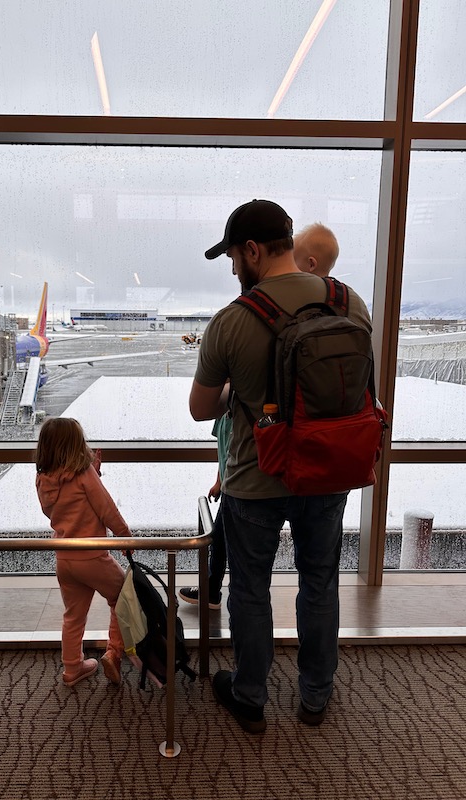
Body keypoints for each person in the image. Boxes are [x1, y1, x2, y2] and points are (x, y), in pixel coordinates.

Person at [189, 199, 372, 734]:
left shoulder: (233, 321)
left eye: (232, 259)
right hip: (327, 474)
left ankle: (250, 694)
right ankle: (316, 695)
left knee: (251, 589)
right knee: (320, 582)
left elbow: (202, 409)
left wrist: (234, 390)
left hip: (255, 479)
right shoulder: (348, 301)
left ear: (251, 251)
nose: (232, 270)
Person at [35, 416, 132, 688]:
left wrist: (94, 473)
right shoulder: (83, 474)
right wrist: (125, 537)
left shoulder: (43, 479)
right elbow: (106, 508)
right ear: (76, 444)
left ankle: (72, 668)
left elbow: (60, 506)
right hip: (92, 556)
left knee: (73, 615)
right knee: (123, 596)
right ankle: (113, 652)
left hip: (64, 557)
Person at [178, 409, 232, 610]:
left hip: (238, 489)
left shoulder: (236, 412)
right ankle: (211, 590)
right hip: (231, 487)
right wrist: (219, 482)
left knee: (219, 541)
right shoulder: (223, 414)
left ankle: (211, 591)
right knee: (219, 541)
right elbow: (224, 451)